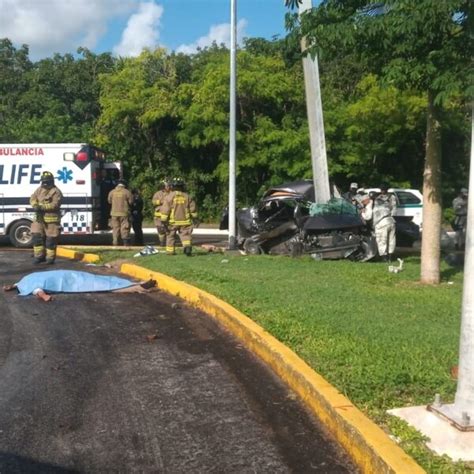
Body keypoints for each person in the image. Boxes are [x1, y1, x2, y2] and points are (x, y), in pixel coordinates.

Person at [29, 171, 63, 264]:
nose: (44, 184)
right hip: (39, 219)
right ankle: (39, 257)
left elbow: (55, 205)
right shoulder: (39, 189)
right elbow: (32, 197)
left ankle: (50, 259)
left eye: (46, 182)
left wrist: (42, 207)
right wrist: (35, 205)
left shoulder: (56, 192)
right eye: (43, 182)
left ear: (51, 181)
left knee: (50, 241)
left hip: (51, 220)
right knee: (36, 237)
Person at [160, 178, 198, 256]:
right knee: (185, 235)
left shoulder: (169, 197)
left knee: (170, 236)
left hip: (173, 222)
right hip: (185, 221)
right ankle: (187, 247)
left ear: (172, 186)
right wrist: (195, 218)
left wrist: (163, 220)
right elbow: (192, 209)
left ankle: (170, 252)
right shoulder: (187, 196)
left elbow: (165, 209)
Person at [372, 183, 397, 262]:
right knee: (391, 239)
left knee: (382, 240)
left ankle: (384, 258)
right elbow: (394, 209)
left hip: (382, 222)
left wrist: (374, 223)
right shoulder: (392, 197)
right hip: (391, 220)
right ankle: (390, 257)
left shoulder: (377, 198)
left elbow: (376, 212)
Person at [108, 179, 133, 246]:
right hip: (124, 213)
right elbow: (131, 202)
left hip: (114, 213)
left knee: (115, 228)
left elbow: (109, 201)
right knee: (124, 228)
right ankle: (125, 243)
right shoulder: (127, 192)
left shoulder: (112, 192)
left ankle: (115, 242)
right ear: (124, 185)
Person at [152, 178, 172, 247]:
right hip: (158, 216)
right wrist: (160, 202)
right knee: (160, 230)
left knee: (169, 230)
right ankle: (162, 243)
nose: (168, 187)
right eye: (167, 186)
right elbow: (153, 202)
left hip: (168, 216)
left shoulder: (172, 193)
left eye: (169, 186)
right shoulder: (158, 193)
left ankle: (169, 244)